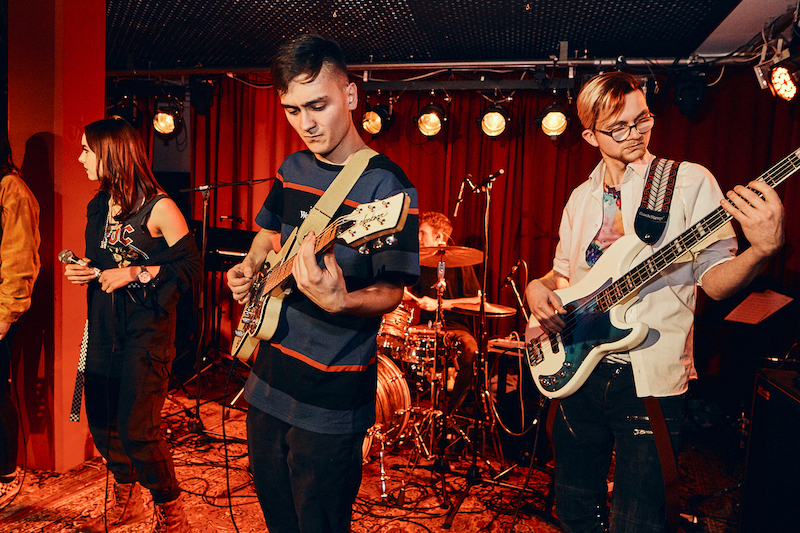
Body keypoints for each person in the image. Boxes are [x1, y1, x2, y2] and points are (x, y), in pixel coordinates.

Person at [524, 71, 784, 533]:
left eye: (642, 119)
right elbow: (563, 274)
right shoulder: (581, 197)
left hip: (648, 375)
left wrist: (760, 251)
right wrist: (537, 288)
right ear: (590, 136)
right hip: (578, 368)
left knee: (639, 520)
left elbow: (714, 283)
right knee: (575, 510)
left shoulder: (687, 182)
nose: (635, 133)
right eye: (618, 127)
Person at [226, 34, 419, 533]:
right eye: (292, 110)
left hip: (331, 396)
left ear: (350, 96)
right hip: (267, 380)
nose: (305, 124)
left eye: (318, 106)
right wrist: (249, 269)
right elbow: (268, 235)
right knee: (277, 519)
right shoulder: (291, 169)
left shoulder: (387, 188)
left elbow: (393, 291)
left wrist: (342, 300)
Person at [64, 118, 202, 533]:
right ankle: (128, 502)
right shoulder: (98, 204)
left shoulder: (159, 208)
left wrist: (137, 273)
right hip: (103, 329)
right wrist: (86, 269)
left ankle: (172, 514)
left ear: (110, 154)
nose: (80, 158)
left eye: (86, 150)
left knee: (138, 431)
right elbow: (104, 261)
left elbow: (192, 268)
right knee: (103, 425)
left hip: (147, 333)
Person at [405, 211, 480, 415]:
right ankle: (408, 407)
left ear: (439, 237)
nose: (418, 238)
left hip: (456, 327)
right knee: (395, 345)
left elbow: (476, 300)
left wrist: (440, 304)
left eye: (422, 233)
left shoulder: (461, 262)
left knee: (472, 352)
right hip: (427, 327)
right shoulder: (421, 262)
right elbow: (414, 295)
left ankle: (453, 411)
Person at [0, 138, 40, 509]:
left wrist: (4, 315)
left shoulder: (12, 190)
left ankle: (4, 475)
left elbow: (20, 258)